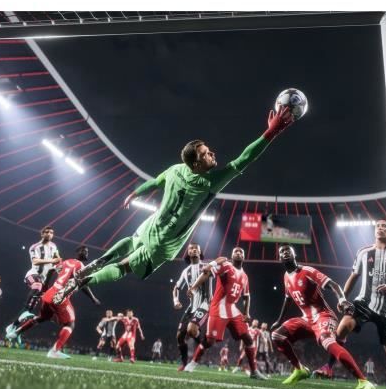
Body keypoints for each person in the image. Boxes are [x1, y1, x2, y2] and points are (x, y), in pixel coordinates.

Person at [51, 107, 295, 305]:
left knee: (132, 241)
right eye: (206, 154)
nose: (212, 153)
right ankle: (83, 281)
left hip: (152, 224)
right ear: (196, 165)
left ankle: (99, 260)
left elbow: (155, 182)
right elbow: (245, 158)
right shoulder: (210, 182)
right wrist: (270, 133)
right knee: (124, 268)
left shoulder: (175, 169)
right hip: (165, 242)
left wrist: (135, 193)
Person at [316, 219, 386, 389]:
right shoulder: (363, 252)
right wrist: (342, 298)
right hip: (363, 302)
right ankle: (329, 367)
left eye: (384, 226)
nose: (380, 228)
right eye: (378, 226)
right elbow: (353, 276)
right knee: (342, 328)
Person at [270, 244, 375, 389]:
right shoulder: (286, 277)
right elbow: (288, 299)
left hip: (323, 316)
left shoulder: (307, 271)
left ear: (294, 254)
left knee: (327, 341)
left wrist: (342, 300)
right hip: (306, 319)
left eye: (288, 250)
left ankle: (364, 381)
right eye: (282, 251)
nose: (285, 252)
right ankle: (299, 369)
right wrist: (279, 320)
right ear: (279, 258)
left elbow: (334, 285)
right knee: (277, 335)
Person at [184, 247, 265, 379]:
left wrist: (246, 313)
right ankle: (193, 362)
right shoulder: (226, 266)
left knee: (248, 339)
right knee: (209, 341)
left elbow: (246, 296)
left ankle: (254, 371)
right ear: (232, 256)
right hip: (218, 308)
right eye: (235, 251)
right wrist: (194, 287)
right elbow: (207, 273)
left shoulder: (245, 276)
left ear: (244, 257)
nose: (238, 253)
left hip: (233, 310)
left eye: (241, 252)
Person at [6, 246, 100, 358]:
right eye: (84, 251)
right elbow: (82, 284)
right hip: (60, 296)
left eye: (87, 252)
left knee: (42, 317)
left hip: (49, 293)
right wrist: (93, 298)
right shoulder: (80, 266)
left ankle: (15, 333)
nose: (86, 253)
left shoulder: (67, 261)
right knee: (70, 323)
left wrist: (45, 286)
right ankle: (55, 350)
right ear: (78, 252)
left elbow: (51, 270)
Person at [7, 226, 61, 332]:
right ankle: (25, 313)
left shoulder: (53, 246)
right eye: (47, 232)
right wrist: (52, 261)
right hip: (33, 274)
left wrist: (59, 263)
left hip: (44, 280)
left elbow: (58, 258)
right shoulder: (35, 247)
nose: (49, 234)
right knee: (37, 285)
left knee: (32, 306)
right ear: (42, 234)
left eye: (51, 232)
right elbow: (35, 261)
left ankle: (13, 325)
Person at [172, 242, 213, 371]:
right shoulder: (186, 271)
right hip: (191, 307)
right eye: (191, 248)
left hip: (205, 304)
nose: (194, 250)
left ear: (200, 252)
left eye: (196, 248)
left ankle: (203, 344)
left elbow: (209, 275)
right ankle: (184, 363)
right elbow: (176, 287)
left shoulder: (206, 266)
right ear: (188, 252)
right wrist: (175, 300)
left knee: (191, 330)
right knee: (179, 337)